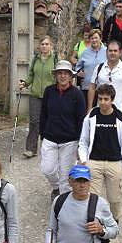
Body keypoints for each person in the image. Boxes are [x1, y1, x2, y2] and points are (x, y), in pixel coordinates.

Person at [78, 83, 122, 223]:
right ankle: (94, 221)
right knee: (93, 197)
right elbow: (83, 140)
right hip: (94, 162)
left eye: (106, 99)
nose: (103, 102)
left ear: (112, 100)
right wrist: (85, 161)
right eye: (100, 98)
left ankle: (115, 220)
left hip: (114, 163)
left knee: (114, 198)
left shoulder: (121, 118)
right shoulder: (91, 116)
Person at [39, 60, 86, 197]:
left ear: (71, 76)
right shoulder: (49, 91)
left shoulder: (77, 95)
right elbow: (44, 114)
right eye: (60, 73)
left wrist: (79, 143)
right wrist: (42, 135)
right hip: (50, 139)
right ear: (56, 75)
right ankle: (56, 187)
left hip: (70, 141)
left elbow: (81, 119)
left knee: (66, 177)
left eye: (66, 73)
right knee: (47, 169)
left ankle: (63, 205)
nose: (63, 76)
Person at [20, 35, 57, 158]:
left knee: (49, 121)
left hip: (50, 95)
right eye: (42, 44)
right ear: (39, 46)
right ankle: (31, 149)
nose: (44, 46)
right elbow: (31, 74)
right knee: (34, 121)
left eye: (47, 44)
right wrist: (25, 83)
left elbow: (59, 77)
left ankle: (49, 147)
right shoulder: (36, 59)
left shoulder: (55, 59)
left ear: (51, 46)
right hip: (35, 94)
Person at [88, 41, 122, 117]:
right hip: (101, 111)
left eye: (115, 51)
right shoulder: (99, 68)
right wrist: (90, 108)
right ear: (106, 52)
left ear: (120, 53)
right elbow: (92, 87)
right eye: (110, 51)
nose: (112, 53)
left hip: (121, 111)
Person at [75, 29, 106, 102]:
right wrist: (79, 72)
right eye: (92, 38)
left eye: (96, 38)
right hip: (87, 87)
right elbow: (78, 66)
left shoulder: (107, 51)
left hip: (102, 88)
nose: (94, 40)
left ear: (100, 38)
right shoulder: (85, 52)